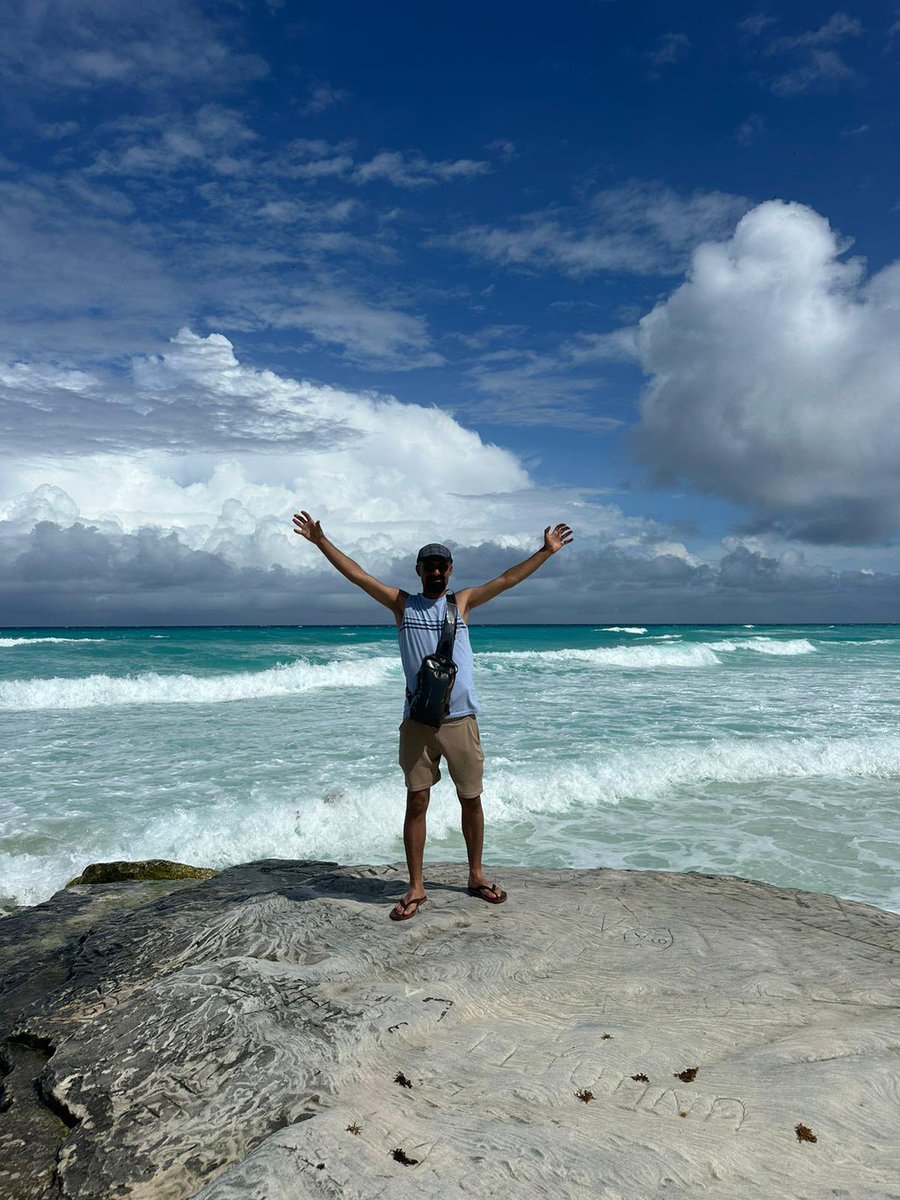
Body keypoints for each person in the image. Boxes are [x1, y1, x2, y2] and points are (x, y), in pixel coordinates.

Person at [292, 512, 574, 920]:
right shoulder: (402, 605)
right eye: (430, 566)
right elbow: (357, 575)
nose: (437, 571)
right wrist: (321, 541)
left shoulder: (462, 603)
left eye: (443, 566)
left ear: (450, 570)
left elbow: (508, 579)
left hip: (461, 720)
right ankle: (416, 886)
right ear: (420, 571)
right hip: (418, 723)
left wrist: (545, 552)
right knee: (417, 801)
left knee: (471, 800)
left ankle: (476, 875)